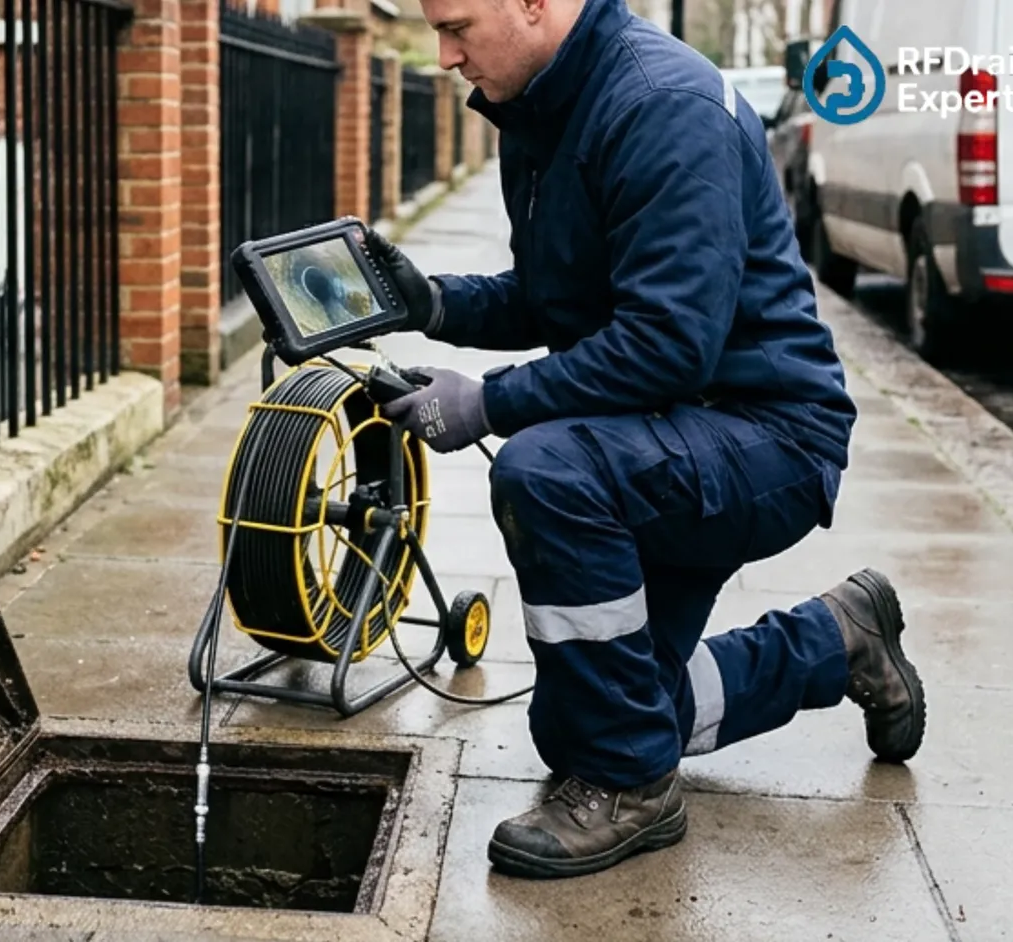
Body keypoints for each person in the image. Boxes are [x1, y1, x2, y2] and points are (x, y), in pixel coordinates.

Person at [365, 0, 927, 881]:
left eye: (458, 27)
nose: (443, 56)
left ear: (532, 6)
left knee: (544, 470)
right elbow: (564, 297)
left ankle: (632, 791)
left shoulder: (661, 104)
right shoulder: (543, 106)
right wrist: (434, 304)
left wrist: (488, 405)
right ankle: (837, 637)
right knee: (589, 721)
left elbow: (666, 343)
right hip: (668, 432)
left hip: (767, 436)